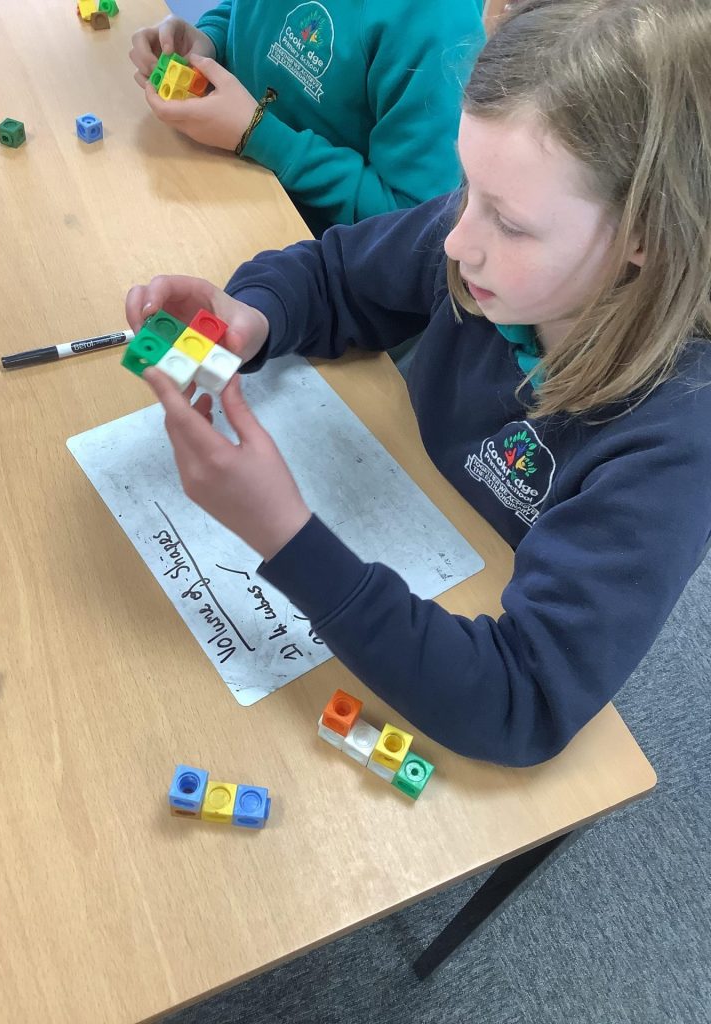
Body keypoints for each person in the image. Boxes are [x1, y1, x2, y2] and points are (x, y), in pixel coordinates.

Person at [125, 0, 711, 767]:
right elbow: (337, 276)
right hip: (403, 528)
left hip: (462, 642)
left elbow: (522, 700)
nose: (458, 239)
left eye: (510, 222)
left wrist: (283, 535)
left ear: (645, 234)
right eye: (466, 187)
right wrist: (255, 318)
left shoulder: (678, 442)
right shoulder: (487, 241)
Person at [129, 1, 485, 236]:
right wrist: (209, 38)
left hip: (312, 252)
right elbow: (245, 13)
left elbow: (416, 222)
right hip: (219, 188)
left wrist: (262, 137)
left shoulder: (435, 23)